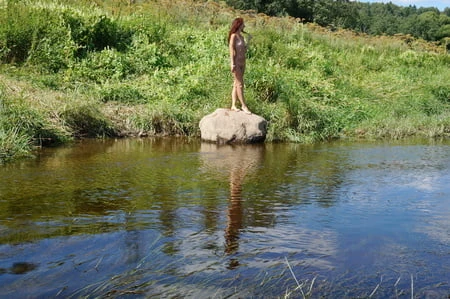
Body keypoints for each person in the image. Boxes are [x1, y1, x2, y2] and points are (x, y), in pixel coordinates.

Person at [228, 17, 252, 114]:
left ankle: (233, 105)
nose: (244, 26)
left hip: (243, 62)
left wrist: (249, 40)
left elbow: (244, 50)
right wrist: (232, 63)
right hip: (236, 63)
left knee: (236, 84)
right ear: (239, 24)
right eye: (243, 24)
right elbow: (231, 50)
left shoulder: (241, 36)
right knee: (240, 84)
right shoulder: (233, 36)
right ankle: (243, 106)